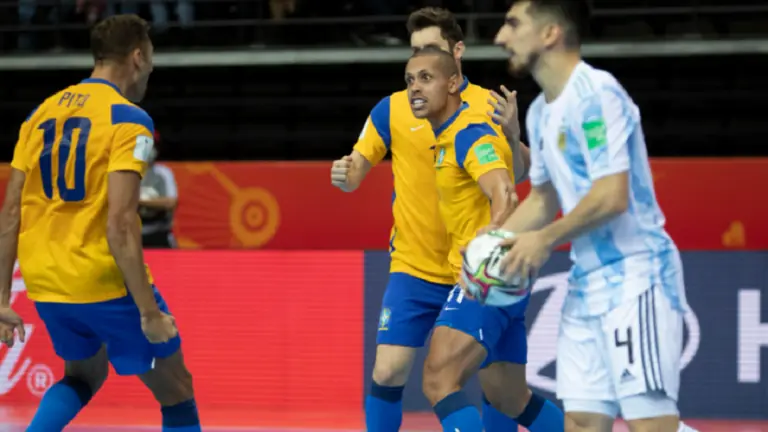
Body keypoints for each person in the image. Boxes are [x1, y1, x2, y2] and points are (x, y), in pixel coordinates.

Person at [492, 1, 696, 431]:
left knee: (650, 425)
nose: (500, 37)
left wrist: (544, 239)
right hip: (587, 284)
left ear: (550, 34)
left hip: (637, 277)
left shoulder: (597, 94)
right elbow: (543, 198)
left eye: (513, 24)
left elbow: (612, 195)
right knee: (582, 422)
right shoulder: (540, 112)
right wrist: (487, 245)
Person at [330, 7, 532, 432]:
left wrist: (513, 138)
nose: (419, 71)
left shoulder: (482, 110)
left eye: (431, 54)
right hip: (415, 266)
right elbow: (356, 168)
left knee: (497, 389)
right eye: (414, 58)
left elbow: (514, 176)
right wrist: (346, 175)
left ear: (456, 54)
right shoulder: (392, 110)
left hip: (473, 268)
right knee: (388, 372)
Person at [0, 15, 200, 432]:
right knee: (177, 389)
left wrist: (2, 300)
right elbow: (122, 224)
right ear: (138, 56)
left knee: (82, 375)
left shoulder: (38, 115)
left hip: (44, 279)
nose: (149, 73)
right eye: (150, 64)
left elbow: (11, 214)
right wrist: (149, 312)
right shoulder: (130, 120)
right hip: (102, 279)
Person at [406, 46, 563, 432]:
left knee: (438, 380)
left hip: (486, 277)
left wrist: (494, 232)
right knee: (510, 398)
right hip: (504, 277)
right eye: (409, 80)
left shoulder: (469, 134)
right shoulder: (450, 139)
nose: (414, 88)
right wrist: (513, 139)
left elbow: (505, 192)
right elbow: (522, 171)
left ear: (453, 82)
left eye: (426, 78)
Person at [140, 136, 179, 248]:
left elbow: (171, 203)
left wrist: (139, 201)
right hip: (131, 236)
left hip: (158, 234)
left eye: (152, 146)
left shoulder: (163, 173)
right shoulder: (125, 174)